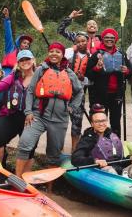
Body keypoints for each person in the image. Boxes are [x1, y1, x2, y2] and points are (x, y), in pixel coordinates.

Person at [15, 42, 83, 177]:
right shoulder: (41, 70)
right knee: (25, 143)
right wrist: (28, 112)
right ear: (48, 53)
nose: (54, 54)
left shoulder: (69, 73)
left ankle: (50, 188)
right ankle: (17, 178)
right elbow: (30, 92)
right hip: (38, 115)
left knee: (54, 154)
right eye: (51, 51)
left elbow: (80, 91)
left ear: (63, 55)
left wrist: (73, 107)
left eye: (58, 52)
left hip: (59, 119)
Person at [0, 50, 36, 166]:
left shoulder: (40, 75)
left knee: (28, 148)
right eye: (21, 60)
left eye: (27, 59)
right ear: (17, 63)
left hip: (30, 118)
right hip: (12, 115)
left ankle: (22, 178)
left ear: (33, 60)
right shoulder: (12, 77)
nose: (24, 62)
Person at [71, 105, 132, 185]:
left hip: (120, 170)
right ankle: (122, 191)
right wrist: (95, 161)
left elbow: (119, 159)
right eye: (97, 121)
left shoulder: (112, 135)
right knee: (109, 169)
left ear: (106, 121)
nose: (101, 124)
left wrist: (130, 158)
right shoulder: (88, 139)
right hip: (101, 172)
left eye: (103, 121)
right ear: (92, 123)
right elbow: (75, 159)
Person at [86, 28, 132, 138]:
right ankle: (99, 144)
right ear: (102, 39)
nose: (109, 40)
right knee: (99, 121)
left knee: (115, 121)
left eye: (112, 38)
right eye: (107, 37)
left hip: (117, 94)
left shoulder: (121, 54)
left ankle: (115, 145)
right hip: (100, 94)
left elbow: (130, 72)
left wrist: (126, 71)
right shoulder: (97, 54)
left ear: (115, 39)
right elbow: (88, 74)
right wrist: (97, 68)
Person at [69, 31, 90, 151]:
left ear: (87, 42)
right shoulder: (69, 55)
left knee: (77, 121)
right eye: (78, 42)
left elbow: (93, 79)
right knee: (62, 119)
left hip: (79, 94)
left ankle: (74, 149)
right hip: (65, 92)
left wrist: (83, 78)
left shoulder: (92, 57)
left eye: (83, 41)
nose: (81, 43)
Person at [1, 7, 33, 76]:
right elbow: (8, 35)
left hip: (20, 78)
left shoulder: (29, 57)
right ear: (19, 43)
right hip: (6, 75)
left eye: (28, 44)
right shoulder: (10, 49)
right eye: (24, 43)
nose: (26, 45)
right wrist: (7, 19)